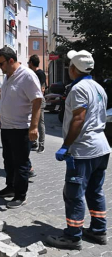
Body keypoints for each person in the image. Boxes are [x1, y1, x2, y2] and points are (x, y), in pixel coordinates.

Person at [46, 50, 111, 250]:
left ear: (74, 69)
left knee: (74, 195)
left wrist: (66, 145)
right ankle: (99, 231)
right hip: (101, 148)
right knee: (95, 191)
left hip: (84, 151)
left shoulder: (79, 89)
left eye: (69, 66)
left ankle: (73, 237)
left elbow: (79, 118)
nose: (68, 69)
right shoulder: (99, 87)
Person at [0, 47, 43, 209]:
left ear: (11, 61)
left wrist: (34, 127)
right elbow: (6, 99)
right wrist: (1, 116)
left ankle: (20, 195)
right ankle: (10, 187)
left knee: (20, 163)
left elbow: (37, 101)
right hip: (7, 127)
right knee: (8, 160)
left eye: (1, 64)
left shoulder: (27, 76)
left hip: (21, 128)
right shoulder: (8, 76)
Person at [28, 55, 46, 153]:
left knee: (40, 123)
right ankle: (33, 142)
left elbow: (42, 87)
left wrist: (38, 99)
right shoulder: (33, 73)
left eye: (28, 63)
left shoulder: (40, 73)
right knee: (32, 121)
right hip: (32, 100)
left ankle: (41, 145)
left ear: (31, 63)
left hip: (39, 100)